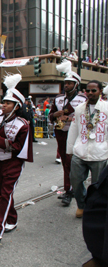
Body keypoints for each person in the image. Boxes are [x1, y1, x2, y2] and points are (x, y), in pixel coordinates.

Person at [0, 73, 33, 244]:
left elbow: (19, 148)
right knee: (4, 193)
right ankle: (12, 219)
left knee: (6, 193)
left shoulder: (23, 124)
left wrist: (1, 142)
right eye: (3, 102)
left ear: (16, 106)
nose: (3, 105)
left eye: (7, 103)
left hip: (14, 162)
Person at [67, 80, 108, 218]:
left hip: (100, 153)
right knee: (76, 181)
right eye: (88, 90)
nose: (90, 93)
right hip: (80, 151)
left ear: (100, 91)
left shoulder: (107, 108)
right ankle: (82, 205)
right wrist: (70, 151)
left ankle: (95, 209)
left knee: (98, 185)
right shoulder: (79, 109)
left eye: (93, 90)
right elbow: (73, 130)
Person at [50, 60, 87, 206]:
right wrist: (55, 115)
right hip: (61, 134)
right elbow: (50, 115)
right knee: (66, 163)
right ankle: (69, 189)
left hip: (76, 135)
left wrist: (71, 118)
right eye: (65, 83)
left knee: (73, 163)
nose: (66, 85)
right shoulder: (58, 98)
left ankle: (72, 190)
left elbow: (86, 116)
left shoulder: (83, 99)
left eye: (70, 83)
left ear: (76, 85)